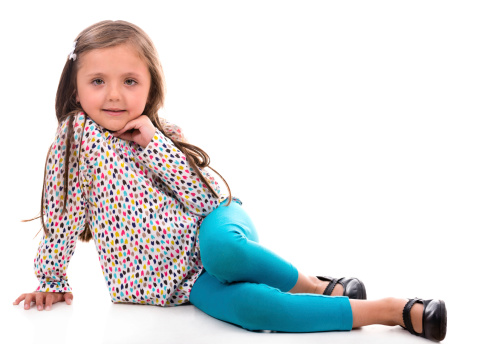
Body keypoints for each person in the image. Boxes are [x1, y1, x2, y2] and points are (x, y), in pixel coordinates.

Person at [13, 20, 446, 341]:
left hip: (214, 227)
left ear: (150, 86)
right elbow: (62, 209)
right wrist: (51, 279)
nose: (113, 95)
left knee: (223, 250)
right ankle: (382, 310)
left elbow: (208, 201)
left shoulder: (163, 134)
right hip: (176, 284)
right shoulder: (74, 140)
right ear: (75, 87)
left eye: (129, 81)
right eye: (97, 81)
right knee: (257, 311)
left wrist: (154, 142)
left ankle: (322, 286)